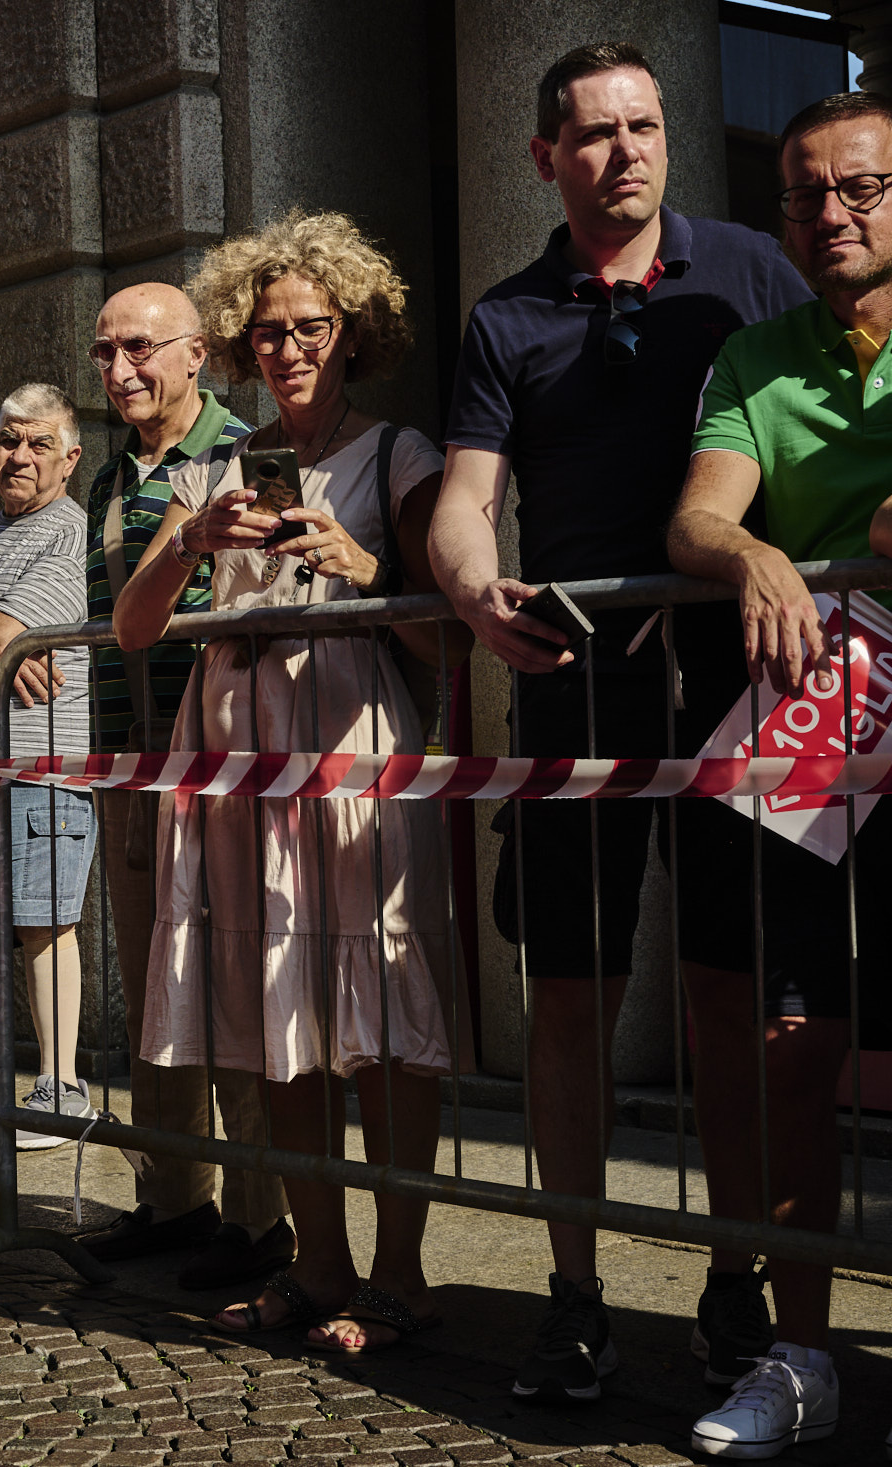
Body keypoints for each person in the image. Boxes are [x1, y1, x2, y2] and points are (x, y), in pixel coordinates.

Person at [426, 43, 815, 1403]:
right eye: (594, 133)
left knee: (731, 1000)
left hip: (733, 688)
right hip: (570, 690)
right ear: (546, 156)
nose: (626, 150)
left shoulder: (751, 277)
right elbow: (467, 496)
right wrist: (472, 588)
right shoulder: (504, 317)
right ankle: (577, 1294)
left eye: (645, 125)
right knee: (570, 1004)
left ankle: (736, 1282)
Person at [118, 211, 463, 1351]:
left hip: (352, 751)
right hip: (238, 760)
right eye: (266, 331)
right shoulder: (216, 466)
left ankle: (399, 1275)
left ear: (351, 329)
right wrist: (191, 539)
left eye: (309, 326)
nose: (287, 347)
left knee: (380, 1014)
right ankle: (319, 1268)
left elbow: (443, 641)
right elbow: (130, 630)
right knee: (281, 1014)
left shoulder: (398, 455)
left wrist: (361, 569)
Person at [665, 90, 892, 1462]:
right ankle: (800, 1356)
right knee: (793, 1054)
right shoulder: (759, 353)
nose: (832, 214)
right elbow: (696, 512)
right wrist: (753, 552)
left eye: (860, 187)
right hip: (822, 753)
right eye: (807, 193)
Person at [75, 280, 289, 1289]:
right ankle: (172, 1199)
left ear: (196, 352)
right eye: (106, 352)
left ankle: (258, 1218)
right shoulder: (108, 475)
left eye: (141, 349)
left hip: (216, 763)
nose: (121, 370)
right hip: (130, 761)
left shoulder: (242, 452)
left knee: (232, 990)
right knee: (152, 985)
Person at [0, 383, 99, 1151]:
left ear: (71, 458)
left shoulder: (68, 529)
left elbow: (5, 628)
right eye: (9, 440)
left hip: (42, 764)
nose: (20, 456)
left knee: (45, 924)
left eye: (39, 444)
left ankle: (62, 1087)